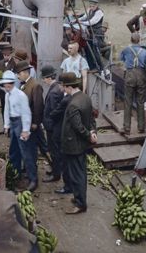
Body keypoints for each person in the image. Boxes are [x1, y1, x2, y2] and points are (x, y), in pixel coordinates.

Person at [60, 72, 97, 214]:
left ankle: (80, 203)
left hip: (73, 146)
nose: (63, 90)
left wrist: (89, 136)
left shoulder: (73, 104)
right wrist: (93, 132)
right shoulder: (85, 98)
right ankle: (78, 199)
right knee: (79, 172)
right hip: (81, 145)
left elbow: (78, 126)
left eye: (64, 87)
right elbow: (91, 119)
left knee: (77, 175)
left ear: (69, 86)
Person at [0, 70, 32, 191]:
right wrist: (6, 125)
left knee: (26, 152)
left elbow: (26, 113)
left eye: (7, 84)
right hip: (13, 123)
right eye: (4, 85)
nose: (6, 87)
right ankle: (16, 174)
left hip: (21, 123)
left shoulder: (21, 95)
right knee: (14, 150)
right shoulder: (7, 95)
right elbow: (6, 110)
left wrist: (26, 130)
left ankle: (32, 178)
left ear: (12, 83)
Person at [16, 60, 46, 192]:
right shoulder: (25, 85)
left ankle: (33, 180)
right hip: (24, 123)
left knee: (29, 152)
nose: (17, 76)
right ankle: (29, 173)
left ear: (24, 73)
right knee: (28, 152)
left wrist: (35, 123)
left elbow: (39, 106)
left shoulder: (35, 85)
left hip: (30, 125)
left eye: (18, 74)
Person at [120, 33, 146, 135]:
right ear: (139, 40)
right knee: (140, 102)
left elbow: (121, 58)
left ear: (131, 40)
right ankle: (141, 127)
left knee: (128, 102)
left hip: (130, 76)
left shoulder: (126, 50)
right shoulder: (144, 52)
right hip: (141, 77)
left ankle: (127, 128)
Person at [50, 73, 74, 194]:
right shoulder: (71, 97)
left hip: (62, 131)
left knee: (64, 160)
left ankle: (67, 187)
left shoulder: (66, 99)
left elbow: (55, 113)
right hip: (65, 131)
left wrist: (50, 116)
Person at [40, 65, 63, 183]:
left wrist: (47, 122)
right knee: (55, 150)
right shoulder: (57, 87)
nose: (43, 80)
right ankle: (56, 170)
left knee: (54, 151)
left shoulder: (54, 92)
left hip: (52, 127)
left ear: (49, 77)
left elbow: (54, 112)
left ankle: (56, 174)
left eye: (44, 78)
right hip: (55, 126)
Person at [78, 0, 105, 71]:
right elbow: (84, 17)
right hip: (89, 33)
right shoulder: (89, 10)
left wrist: (82, 23)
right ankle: (91, 66)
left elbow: (92, 21)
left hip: (97, 33)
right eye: (90, 6)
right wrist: (77, 20)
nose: (91, 8)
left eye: (93, 6)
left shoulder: (99, 12)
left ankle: (101, 68)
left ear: (96, 5)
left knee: (96, 51)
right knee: (88, 50)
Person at [0, 44, 16, 123]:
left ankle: (11, 127)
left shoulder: (14, 63)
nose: (6, 57)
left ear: (11, 54)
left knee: (11, 108)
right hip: (2, 91)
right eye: (4, 55)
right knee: (4, 108)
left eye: (8, 55)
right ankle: (5, 126)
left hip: (11, 90)